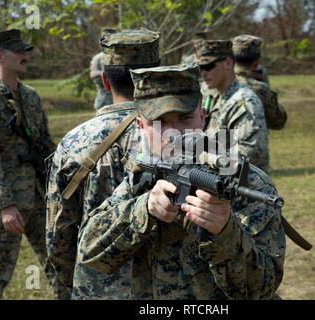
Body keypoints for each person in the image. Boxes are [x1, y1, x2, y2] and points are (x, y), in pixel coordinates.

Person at [76, 64, 286, 299]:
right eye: (161, 122)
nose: (175, 133)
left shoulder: (246, 183)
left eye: (186, 118)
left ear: (203, 116)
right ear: (141, 126)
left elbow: (263, 288)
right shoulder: (141, 176)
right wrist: (142, 210)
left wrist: (225, 233)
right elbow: (90, 253)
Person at [46, 28, 160, 299]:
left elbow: (57, 238)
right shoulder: (177, 139)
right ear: (157, 77)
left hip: (96, 289)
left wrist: (78, 284)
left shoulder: (73, 143)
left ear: (106, 82)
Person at [0, 29, 67, 299]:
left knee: (59, 260)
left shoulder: (31, 96)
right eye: (18, 51)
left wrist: (59, 187)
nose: (26, 55)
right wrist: (4, 204)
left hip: (38, 195)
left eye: (26, 50)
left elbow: (46, 146)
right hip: (8, 203)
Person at [196, 40, 270, 172]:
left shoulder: (245, 103)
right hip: (213, 177)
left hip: (242, 185)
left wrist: (200, 156)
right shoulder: (209, 94)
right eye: (200, 68)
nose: (203, 73)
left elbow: (249, 158)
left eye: (208, 66)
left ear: (228, 63)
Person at [232, 35, 287, 130]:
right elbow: (278, 122)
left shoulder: (216, 84)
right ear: (256, 62)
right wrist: (265, 86)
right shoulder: (260, 89)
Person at [90, 30, 114, 111]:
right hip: (104, 97)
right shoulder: (98, 58)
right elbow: (92, 74)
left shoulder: (121, 56)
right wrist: (103, 73)